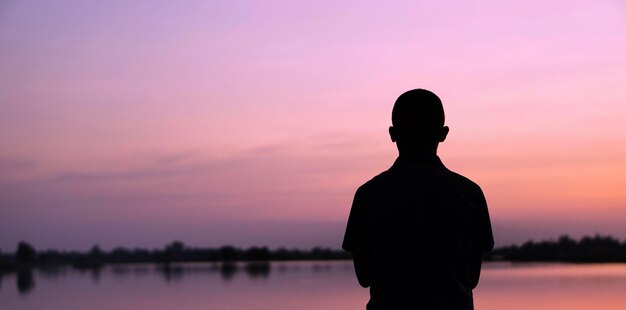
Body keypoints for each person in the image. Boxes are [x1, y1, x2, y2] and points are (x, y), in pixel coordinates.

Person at [342, 89, 494, 309]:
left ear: (392, 134)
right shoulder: (470, 194)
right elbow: (472, 277)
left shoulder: (368, 195)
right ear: (443, 134)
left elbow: (364, 277)